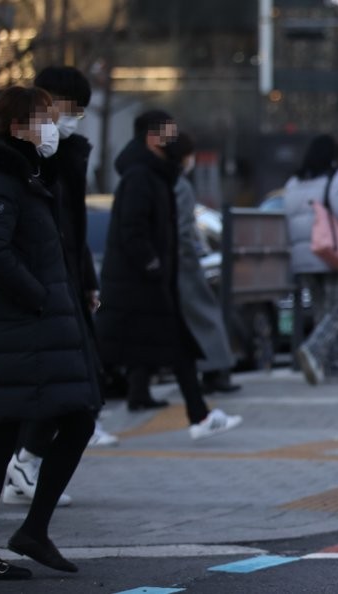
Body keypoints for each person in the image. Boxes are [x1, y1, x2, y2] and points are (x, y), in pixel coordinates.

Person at [0, 85, 100, 579]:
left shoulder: (28, 173)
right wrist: (37, 296)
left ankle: (34, 529)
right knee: (1, 438)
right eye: (45, 118)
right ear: (17, 127)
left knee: (77, 416)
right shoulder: (2, 177)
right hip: (20, 330)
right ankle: (30, 530)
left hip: (40, 330)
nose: (53, 127)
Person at [3, 66, 115, 512]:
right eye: (69, 110)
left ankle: (25, 468)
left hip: (60, 281)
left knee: (79, 392)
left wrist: (85, 280)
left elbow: (71, 226)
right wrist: (41, 289)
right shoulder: (20, 159)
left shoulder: (64, 155)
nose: (70, 121)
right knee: (69, 393)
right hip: (40, 288)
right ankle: (24, 466)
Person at [95, 110, 242, 440]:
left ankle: (201, 417)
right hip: (136, 285)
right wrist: (152, 264)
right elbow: (133, 231)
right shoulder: (140, 177)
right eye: (169, 133)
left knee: (178, 348)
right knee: (105, 353)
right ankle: (81, 421)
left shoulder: (156, 175)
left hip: (151, 283)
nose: (176, 140)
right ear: (152, 137)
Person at [282, 135, 338, 385]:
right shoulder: (337, 179)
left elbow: (288, 218)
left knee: (322, 311)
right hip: (332, 253)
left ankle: (334, 367)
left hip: (304, 255)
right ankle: (312, 350)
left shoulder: (293, 183)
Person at [167, 133, 241, 394]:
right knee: (206, 317)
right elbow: (183, 230)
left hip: (169, 263)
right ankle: (215, 372)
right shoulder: (181, 186)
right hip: (183, 263)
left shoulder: (163, 182)